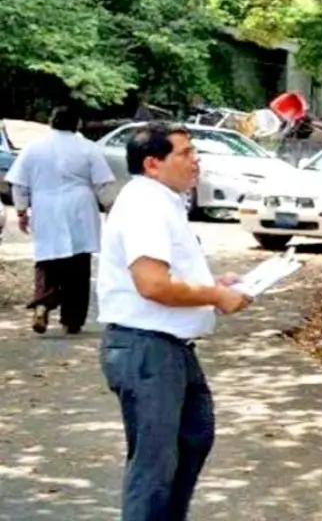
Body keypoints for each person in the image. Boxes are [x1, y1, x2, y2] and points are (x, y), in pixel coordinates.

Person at [96, 122, 254, 521]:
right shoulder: (145, 205)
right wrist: (215, 296)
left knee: (194, 437)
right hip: (147, 347)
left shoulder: (163, 201)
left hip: (169, 345)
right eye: (185, 153)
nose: (195, 161)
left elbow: (168, 275)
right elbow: (152, 284)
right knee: (155, 466)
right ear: (153, 163)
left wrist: (213, 285)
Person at [5, 105, 115, 335]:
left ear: (51, 122)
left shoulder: (34, 148)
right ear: (78, 124)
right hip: (80, 208)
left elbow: (19, 183)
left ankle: (43, 303)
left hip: (46, 208)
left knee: (47, 259)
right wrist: (109, 208)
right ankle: (72, 320)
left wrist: (21, 211)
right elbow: (102, 184)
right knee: (78, 264)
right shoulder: (88, 148)